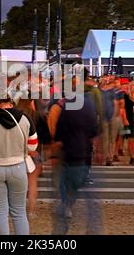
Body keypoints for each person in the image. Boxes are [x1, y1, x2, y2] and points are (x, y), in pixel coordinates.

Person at [0, 95, 38, 235]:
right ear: (11, 103)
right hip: (18, 167)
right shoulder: (25, 118)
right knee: (19, 212)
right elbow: (33, 145)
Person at [52, 77, 101, 235]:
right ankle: (89, 225)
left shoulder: (65, 107)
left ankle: (64, 221)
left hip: (69, 153)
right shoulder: (89, 105)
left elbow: (58, 134)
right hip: (85, 153)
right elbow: (94, 130)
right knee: (82, 188)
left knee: (65, 187)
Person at [100, 75, 120, 166]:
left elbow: (116, 103)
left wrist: (114, 115)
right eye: (103, 79)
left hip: (112, 117)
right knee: (105, 139)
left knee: (112, 138)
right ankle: (105, 157)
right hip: (103, 117)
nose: (105, 80)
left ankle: (110, 158)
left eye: (106, 79)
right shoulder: (98, 91)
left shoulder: (112, 91)